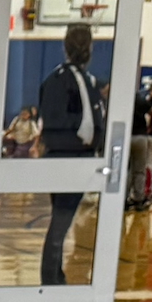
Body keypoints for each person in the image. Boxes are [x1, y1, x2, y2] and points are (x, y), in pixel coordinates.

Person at [34, 23, 104, 285]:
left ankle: (56, 275)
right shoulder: (73, 81)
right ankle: (50, 280)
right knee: (60, 222)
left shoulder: (68, 79)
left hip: (62, 155)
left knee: (60, 220)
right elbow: (85, 127)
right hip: (71, 158)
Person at [129, 77, 152, 206]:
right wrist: (150, 128)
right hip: (141, 136)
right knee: (140, 169)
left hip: (125, 136)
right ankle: (139, 197)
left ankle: (124, 197)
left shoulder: (119, 99)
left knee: (126, 169)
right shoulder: (140, 99)